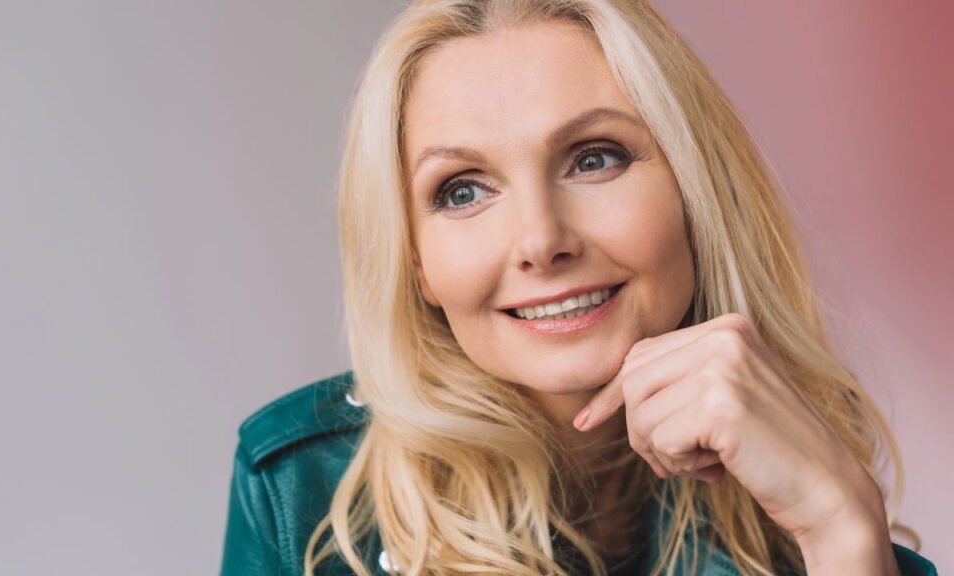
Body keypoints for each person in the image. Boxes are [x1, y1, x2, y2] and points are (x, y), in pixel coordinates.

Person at [220, 1, 938, 574]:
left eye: (594, 159)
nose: (541, 241)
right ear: (416, 261)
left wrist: (841, 528)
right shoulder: (300, 489)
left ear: (696, 191)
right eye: (463, 191)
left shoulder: (796, 450)